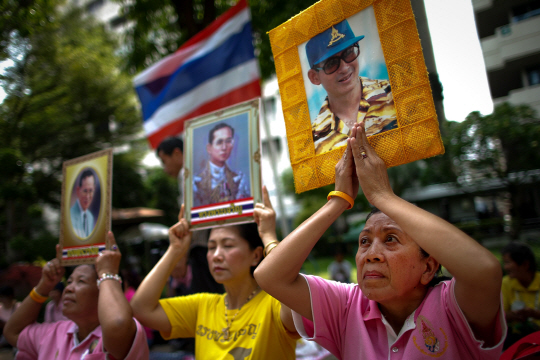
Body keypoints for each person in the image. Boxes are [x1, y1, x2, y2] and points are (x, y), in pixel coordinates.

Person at [254, 122, 506, 359]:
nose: (370, 254)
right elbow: (270, 276)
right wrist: (339, 200)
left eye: (391, 239)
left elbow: (484, 271)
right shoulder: (346, 305)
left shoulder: (452, 307)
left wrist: (382, 196)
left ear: (428, 267)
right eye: (364, 241)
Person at [131, 188, 299, 359]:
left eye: (228, 245)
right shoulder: (203, 306)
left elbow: (289, 292)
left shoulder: (275, 304)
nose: (217, 255)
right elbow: (141, 309)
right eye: (211, 247)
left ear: (255, 255)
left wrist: (269, 235)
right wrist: (175, 250)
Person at [3, 233, 149, 359]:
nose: (69, 288)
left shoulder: (122, 333)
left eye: (81, 281)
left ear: (103, 292)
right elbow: (13, 332)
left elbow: (117, 324)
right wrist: (44, 286)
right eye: (70, 281)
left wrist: (107, 273)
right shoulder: (54, 333)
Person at [306, 19, 397, 155]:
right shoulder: (314, 138)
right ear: (314, 77)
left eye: (349, 53)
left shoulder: (393, 94)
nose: (344, 67)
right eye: (331, 63)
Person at [156, 136, 223, 295]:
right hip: (212, 241)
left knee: (208, 299)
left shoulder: (186, 174)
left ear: (177, 153)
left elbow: (190, 218)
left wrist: (181, 255)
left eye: (164, 161)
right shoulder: (207, 168)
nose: (165, 169)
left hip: (202, 247)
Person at [193, 123, 250, 207]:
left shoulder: (238, 179)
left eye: (228, 141)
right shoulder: (196, 181)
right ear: (209, 148)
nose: (224, 147)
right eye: (219, 142)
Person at [501, 242, 540, 348]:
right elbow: (500, 316)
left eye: (508, 262)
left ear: (525, 264)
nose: (505, 267)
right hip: (518, 337)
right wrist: (513, 315)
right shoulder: (506, 283)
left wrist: (535, 314)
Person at [70, 169, 97, 238]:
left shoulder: (90, 217)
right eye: (85, 191)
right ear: (78, 190)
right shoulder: (69, 216)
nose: (87, 196)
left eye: (91, 191)